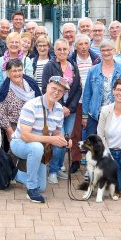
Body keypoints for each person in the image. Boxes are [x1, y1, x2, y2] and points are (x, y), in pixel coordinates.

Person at [10, 76, 70, 203]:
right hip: (19, 143)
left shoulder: (59, 109)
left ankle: (14, 173)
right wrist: (51, 139)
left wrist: (65, 141)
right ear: (47, 87)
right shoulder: (31, 105)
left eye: (60, 91)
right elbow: (25, 136)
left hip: (40, 148)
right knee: (37, 147)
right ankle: (31, 190)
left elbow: (57, 133)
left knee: (41, 187)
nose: (56, 92)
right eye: (54, 88)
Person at [41, 39, 82, 184]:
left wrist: (69, 108)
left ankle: (58, 168)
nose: (62, 52)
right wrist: (59, 107)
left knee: (66, 139)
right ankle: (52, 171)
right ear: (55, 51)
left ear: (69, 50)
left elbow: (77, 89)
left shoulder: (73, 66)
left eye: (65, 49)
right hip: (54, 110)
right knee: (59, 140)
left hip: (70, 111)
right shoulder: (49, 66)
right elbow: (46, 88)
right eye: (59, 49)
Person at [81, 39, 121, 136]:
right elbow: (87, 94)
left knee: (112, 145)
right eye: (103, 50)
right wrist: (85, 115)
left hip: (116, 114)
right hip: (94, 114)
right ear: (100, 52)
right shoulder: (93, 70)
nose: (106, 53)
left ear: (114, 50)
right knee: (93, 145)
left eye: (109, 50)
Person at [0, 59, 42, 152]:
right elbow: (0, 112)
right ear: (8, 73)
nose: (17, 73)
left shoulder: (31, 84)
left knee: (36, 149)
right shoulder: (4, 90)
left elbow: (40, 101)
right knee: (18, 153)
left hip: (34, 124)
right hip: (15, 126)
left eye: (19, 70)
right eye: (14, 71)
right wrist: (9, 131)